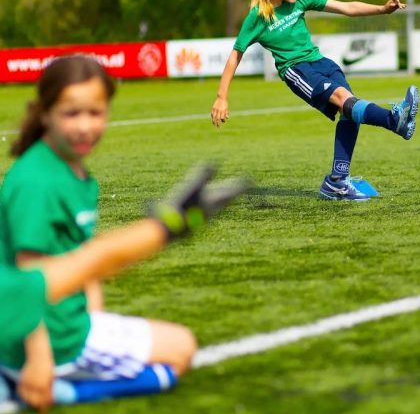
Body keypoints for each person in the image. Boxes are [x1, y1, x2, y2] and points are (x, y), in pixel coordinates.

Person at [0, 55, 247, 410]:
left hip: (65, 324)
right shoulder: (36, 181)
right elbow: (30, 281)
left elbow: (85, 265)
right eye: (71, 114)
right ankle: (59, 388)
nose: (84, 126)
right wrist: (39, 360)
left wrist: (95, 322)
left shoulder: (74, 172)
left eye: (95, 113)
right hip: (45, 337)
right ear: (44, 114)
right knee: (181, 350)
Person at [0, 163, 249, 409]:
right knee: (181, 348)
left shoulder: (44, 180)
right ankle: (70, 392)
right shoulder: (34, 182)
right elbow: (42, 280)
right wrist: (165, 228)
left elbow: (79, 266)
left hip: (27, 327)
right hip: (32, 335)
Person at [211, 0, 420, 201]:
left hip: (322, 62)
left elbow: (346, 7)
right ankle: (393, 120)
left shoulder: (301, 0)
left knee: (350, 109)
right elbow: (235, 54)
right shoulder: (258, 16)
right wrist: (222, 96)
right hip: (297, 71)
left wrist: (382, 9)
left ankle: (337, 182)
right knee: (346, 101)